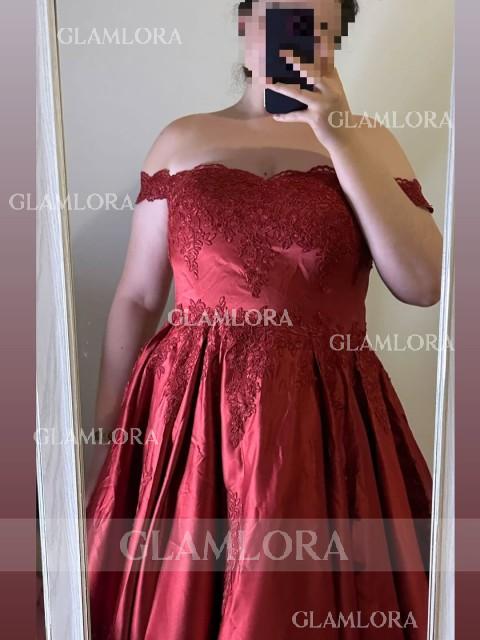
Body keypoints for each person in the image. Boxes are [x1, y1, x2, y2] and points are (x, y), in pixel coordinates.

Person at [85, 1, 443, 638]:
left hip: (325, 418)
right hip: (188, 417)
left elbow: (423, 284)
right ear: (244, 23)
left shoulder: (372, 142)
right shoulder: (181, 138)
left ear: (335, 37)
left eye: (315, 22)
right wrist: (109, 437)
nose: (293, 35)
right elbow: (137, 297)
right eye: (280, 14)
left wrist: (340, 136)